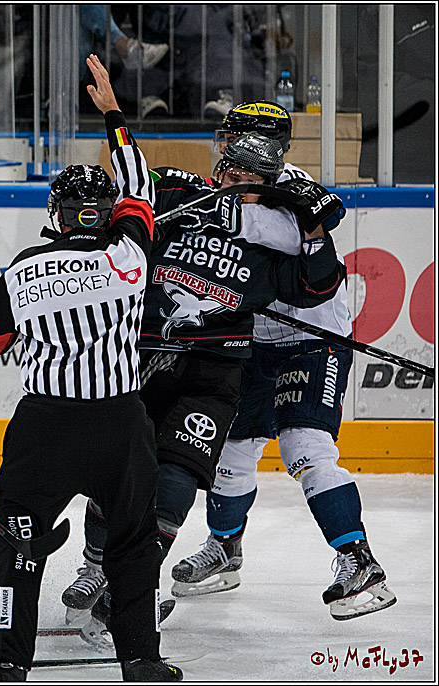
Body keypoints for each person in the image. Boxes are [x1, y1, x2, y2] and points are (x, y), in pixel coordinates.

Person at [61, 126, 350, 646]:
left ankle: (131, 591)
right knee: (118, 467)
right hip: (146, 360)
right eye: (228, 172)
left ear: (269, 181)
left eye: (247, 179)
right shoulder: (183, 199)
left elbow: (317, 284)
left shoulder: (271, 234)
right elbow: (130, 191)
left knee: (178, 475)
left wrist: (311, 232)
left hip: (215, 373)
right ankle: (95, 566)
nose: (233, 183)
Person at [0, 54, 178, 683]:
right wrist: (112, 113)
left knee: (17, 547)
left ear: (54, 216)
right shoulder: (131, 257)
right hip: (120, 425)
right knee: (132, 547)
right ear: (109, 215)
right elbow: (138, 183)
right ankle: (140, 660)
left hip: (43, 430)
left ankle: (4, 665)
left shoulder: (23, 268)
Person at [171, 102, 396, 621]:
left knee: (305, 446)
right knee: (232, 446)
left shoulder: (287, 190)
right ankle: (225, 549)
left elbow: (289, 231)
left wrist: (200, 204)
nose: (224, 149)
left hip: (310, 342)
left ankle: (360, 563)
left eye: (235, 140)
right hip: (249, 339)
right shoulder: (235, 183)